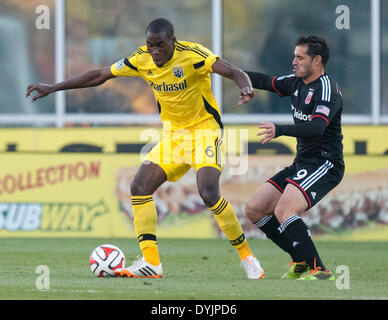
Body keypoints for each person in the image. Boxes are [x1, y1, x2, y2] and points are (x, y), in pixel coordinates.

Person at [26, 18, 265, 279]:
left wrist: (245, 85)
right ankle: (151, 262)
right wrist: (54, 87)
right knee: (139, 186)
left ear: (173, 41)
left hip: (205, 132)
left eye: (160, 45)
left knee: (208, 193)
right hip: (174, 137)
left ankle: (247, 257)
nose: (155, 52)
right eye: (150, 45)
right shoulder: (141, 59)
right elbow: (100, 75)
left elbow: (232, 71)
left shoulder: (193, 55)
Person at [244, 36, 344, 280]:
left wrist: (280, 130)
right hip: (303, 162)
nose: (294, 62)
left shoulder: (327, 89)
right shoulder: (296, 82)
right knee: (255, 209)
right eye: (294, 56)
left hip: (325, 163)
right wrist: (219, 69)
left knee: (285, 209)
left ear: (317, 61)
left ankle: (319, 271)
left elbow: (317, 127)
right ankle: (299, 261)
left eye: (300, 57)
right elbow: (264, 81)